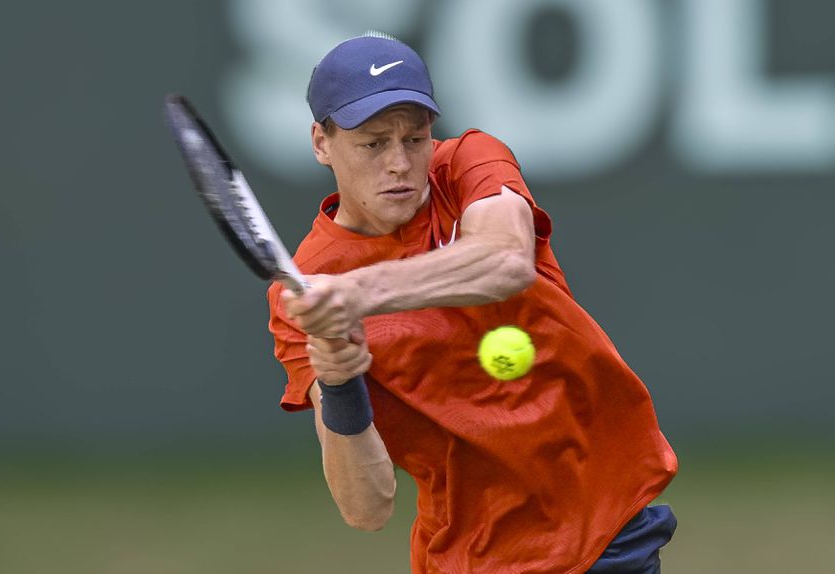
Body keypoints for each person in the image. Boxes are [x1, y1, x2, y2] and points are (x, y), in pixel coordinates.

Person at [267, 33, 678, 574]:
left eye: (414, 139)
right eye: (373, 143)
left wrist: (358, 293)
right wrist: (339, 381)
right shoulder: (301, 293)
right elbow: (367, 508)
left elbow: (505, 261)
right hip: (469, 557)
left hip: (600, 529)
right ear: (322, 143)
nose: (399, 163)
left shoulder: (467, 163)